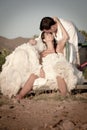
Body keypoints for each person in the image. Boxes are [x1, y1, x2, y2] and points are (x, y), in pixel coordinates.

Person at [16, 23, 84, 100]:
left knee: (59, 75)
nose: (49, 34)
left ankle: (65, 97)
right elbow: (39, 62)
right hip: (46, 70)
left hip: (56, 69)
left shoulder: (58, 48)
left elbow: (66, 37)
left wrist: (58, 21)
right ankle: (20, 96)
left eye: (50, 33)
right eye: (47, 34)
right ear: (44, 40)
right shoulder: (43, 52)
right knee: (33, 75)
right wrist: (40, 69)